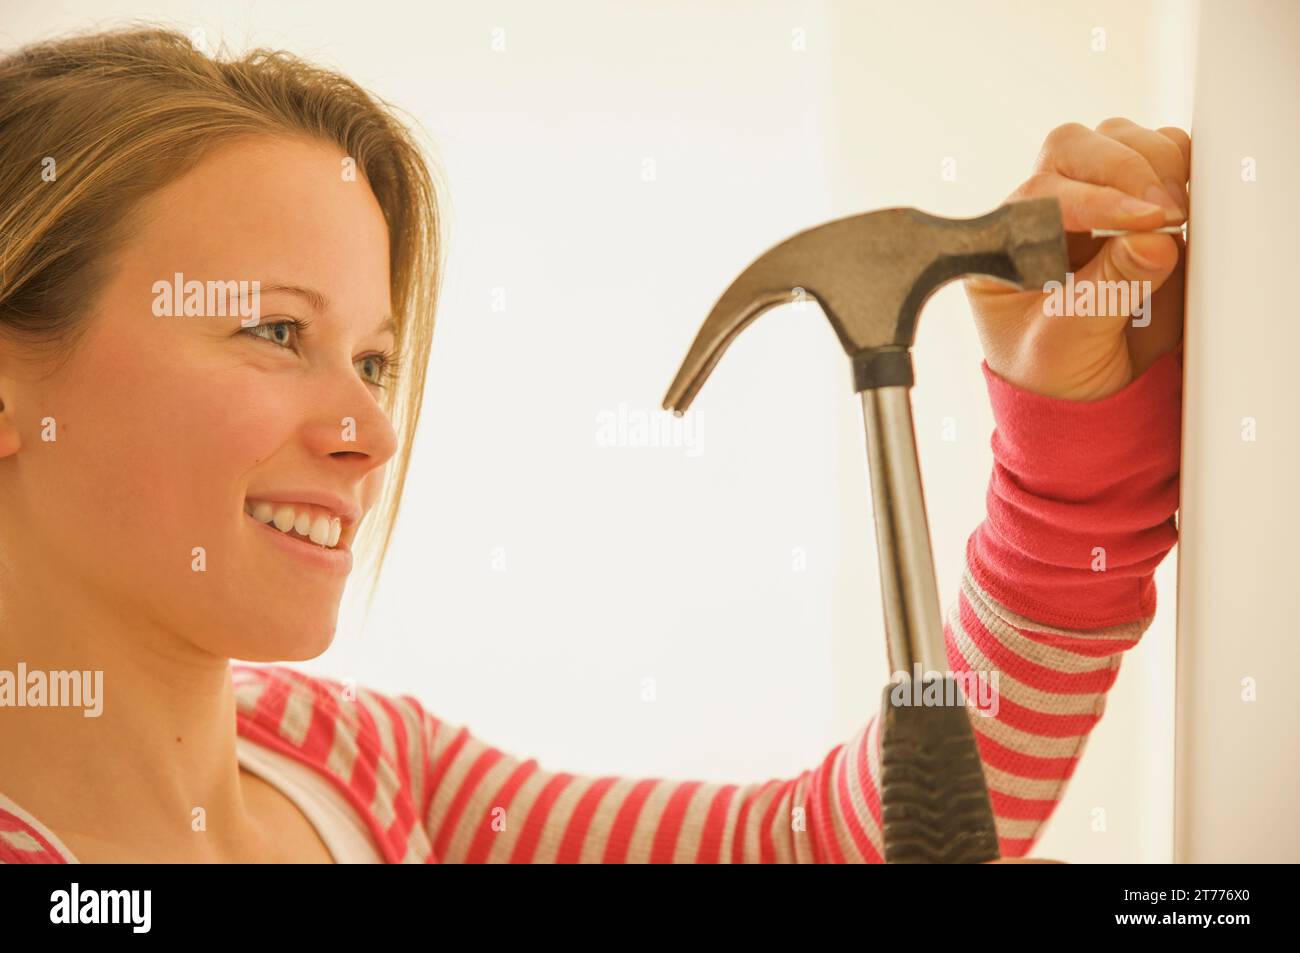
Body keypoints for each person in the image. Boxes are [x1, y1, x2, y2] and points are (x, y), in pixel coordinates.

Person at [0, 28, 1184, 864]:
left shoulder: (355, 765)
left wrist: (1065, 477)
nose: (371, 431)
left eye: (372, 358)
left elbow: (827, 847)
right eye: (273, 329)